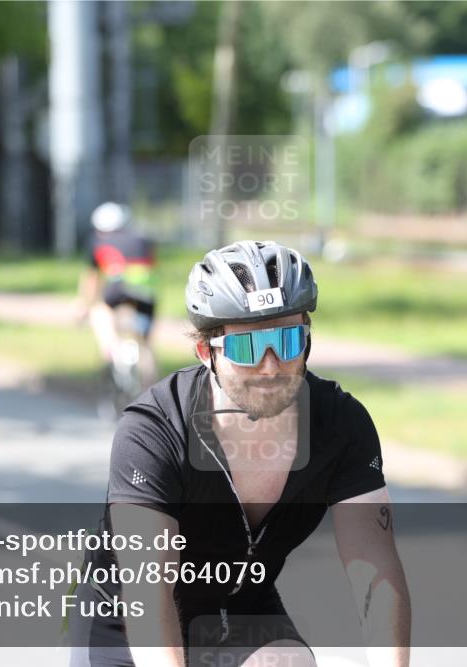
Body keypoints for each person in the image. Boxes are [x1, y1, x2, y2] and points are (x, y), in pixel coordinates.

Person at [69, 240, 411, 667]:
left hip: (242, 609)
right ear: (205, 351)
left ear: (308, 339)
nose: (270, 365)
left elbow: (374, 571)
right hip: (126, 623)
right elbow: (148, 593)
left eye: (287, 340)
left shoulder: (341, 424)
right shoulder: (152, 432)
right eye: (246, 347)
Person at [76, 202, 159, 387]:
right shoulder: (143, 239)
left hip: (118, 288)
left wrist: (84, 306)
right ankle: (151, 392)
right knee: (145, 343)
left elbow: (92, 278)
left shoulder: (97, 241)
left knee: (99, 311)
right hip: (147, 293)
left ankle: (112, 350)